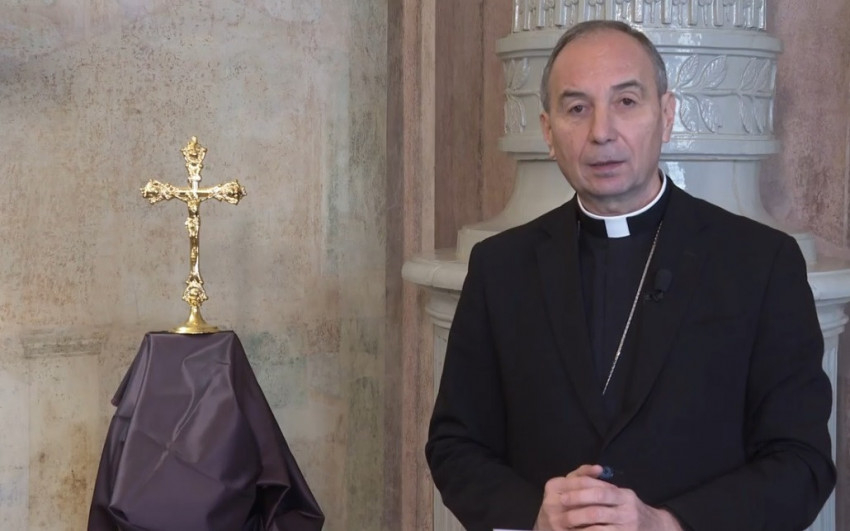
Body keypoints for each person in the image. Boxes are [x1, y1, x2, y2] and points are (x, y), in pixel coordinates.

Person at [425, 20, 835, 531]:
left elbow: (802, 462)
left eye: (626, 102)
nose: (601, 132)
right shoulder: (500, 267)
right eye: (577, 108)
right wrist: (533, 515)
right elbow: (455, 444)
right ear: (548, 132)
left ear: (666, 115)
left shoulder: (760, 262)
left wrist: (668, 524)